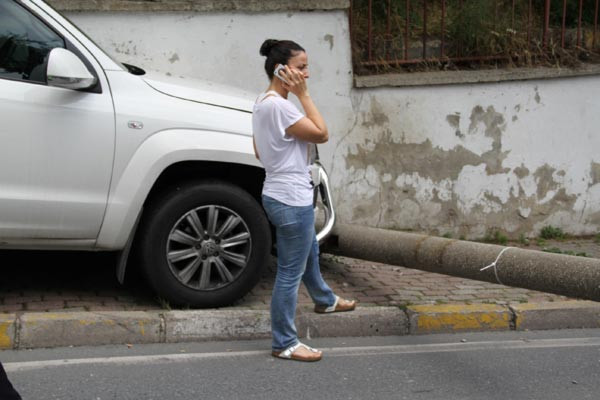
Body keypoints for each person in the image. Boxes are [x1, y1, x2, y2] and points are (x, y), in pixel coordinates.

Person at [252, 39, 356, 362]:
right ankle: (284, 341)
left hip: (276, 192)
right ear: (281, 70)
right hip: (291, 199)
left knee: (309, 247)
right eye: (301, 68)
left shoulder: (262, 102)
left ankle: (324, 299)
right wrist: (305, 97)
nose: (306, 74)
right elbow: (322, 133)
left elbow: (258, 150)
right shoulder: (283, 105)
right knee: (289, 273)